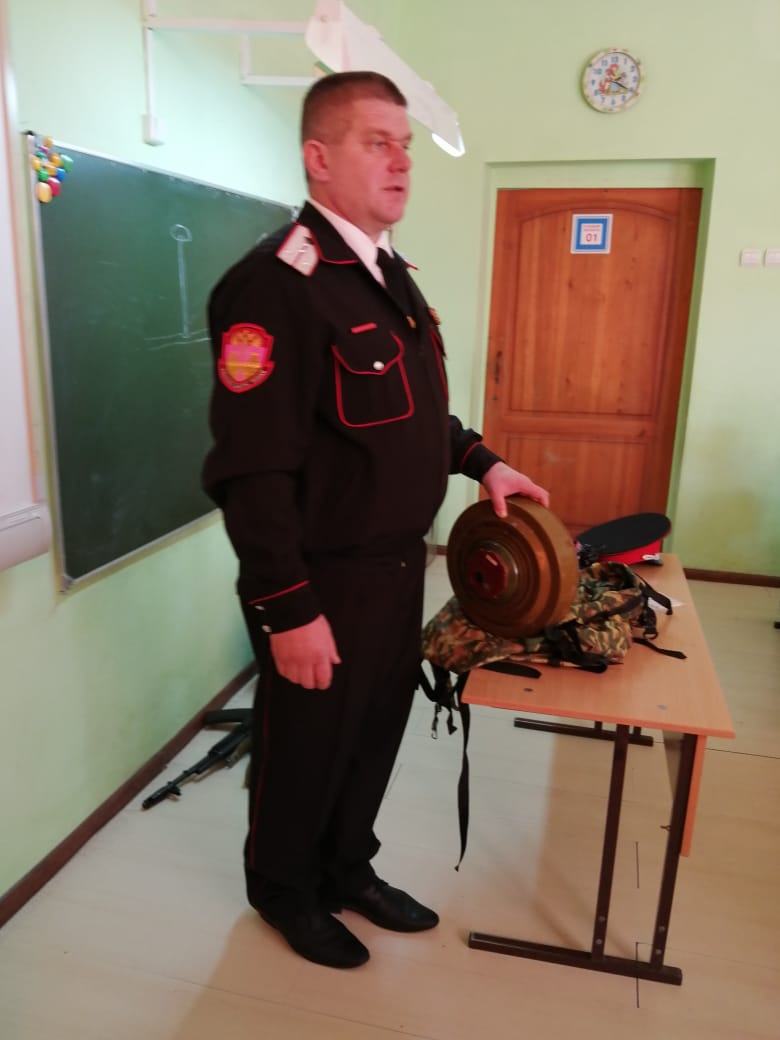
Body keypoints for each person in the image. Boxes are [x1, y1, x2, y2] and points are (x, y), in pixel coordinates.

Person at [202, 70, 549, 970]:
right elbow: (252, 470)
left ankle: (346, 867)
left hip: (398, 567)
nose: (401, 162)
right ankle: (285, 889)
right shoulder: (278, 286)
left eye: (405, 145)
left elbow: (412, 416)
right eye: (376, 143)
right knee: (306, 745)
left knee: (372, 734)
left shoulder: (385, 275)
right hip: (321, 577)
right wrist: (287, 608)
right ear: (319, 158)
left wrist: (481, 460)